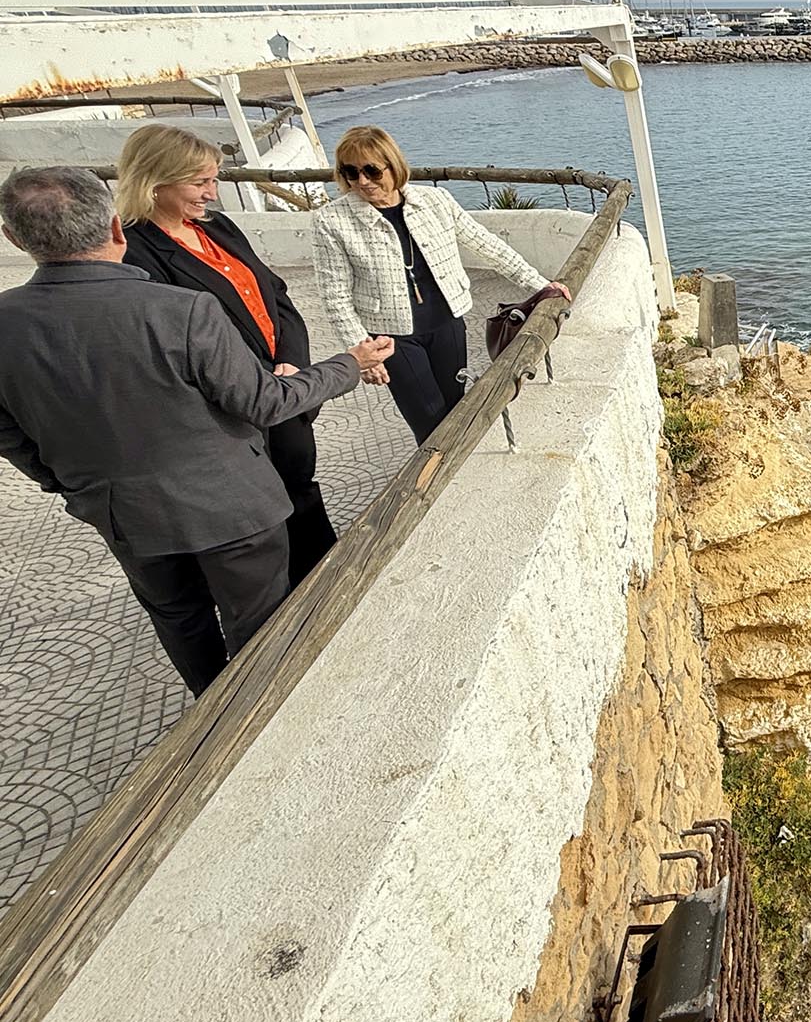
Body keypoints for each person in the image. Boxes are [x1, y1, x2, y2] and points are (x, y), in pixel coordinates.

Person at [0, 166, 393, 695]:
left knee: (181, 622)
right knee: (258, 627)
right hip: (233, 510)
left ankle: (209, 711)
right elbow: (263, 401)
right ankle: (259, 721)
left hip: (122, 516)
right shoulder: (181, 311)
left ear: (14, 238)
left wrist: (71, 482)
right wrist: (347, 363)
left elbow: (10, 434)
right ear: (116, 228)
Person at [118, 125, 337, 584]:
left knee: (300, 488)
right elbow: (174, 342)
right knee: (264, 514)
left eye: (213, 181)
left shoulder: (220, 228)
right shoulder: (135, 252)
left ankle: (325, 583)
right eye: (200, 183)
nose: (212, 194)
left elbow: (276, 296)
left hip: (281, 388)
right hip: (232, 407)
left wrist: (291, 363)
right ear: (155, 180)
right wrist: (260, 381)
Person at [311, 126, 567, 444]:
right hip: (392, 338)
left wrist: (540, 285)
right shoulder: (332, 221)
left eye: (371, 170)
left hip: (447, 324)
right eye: (351, 172)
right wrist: (362, 351)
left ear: (394, 166)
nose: (362, 181)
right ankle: (437, 487)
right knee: (430, 421)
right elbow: (334, 295)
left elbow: (486, 245)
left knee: (456, 406)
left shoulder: (434, 201)